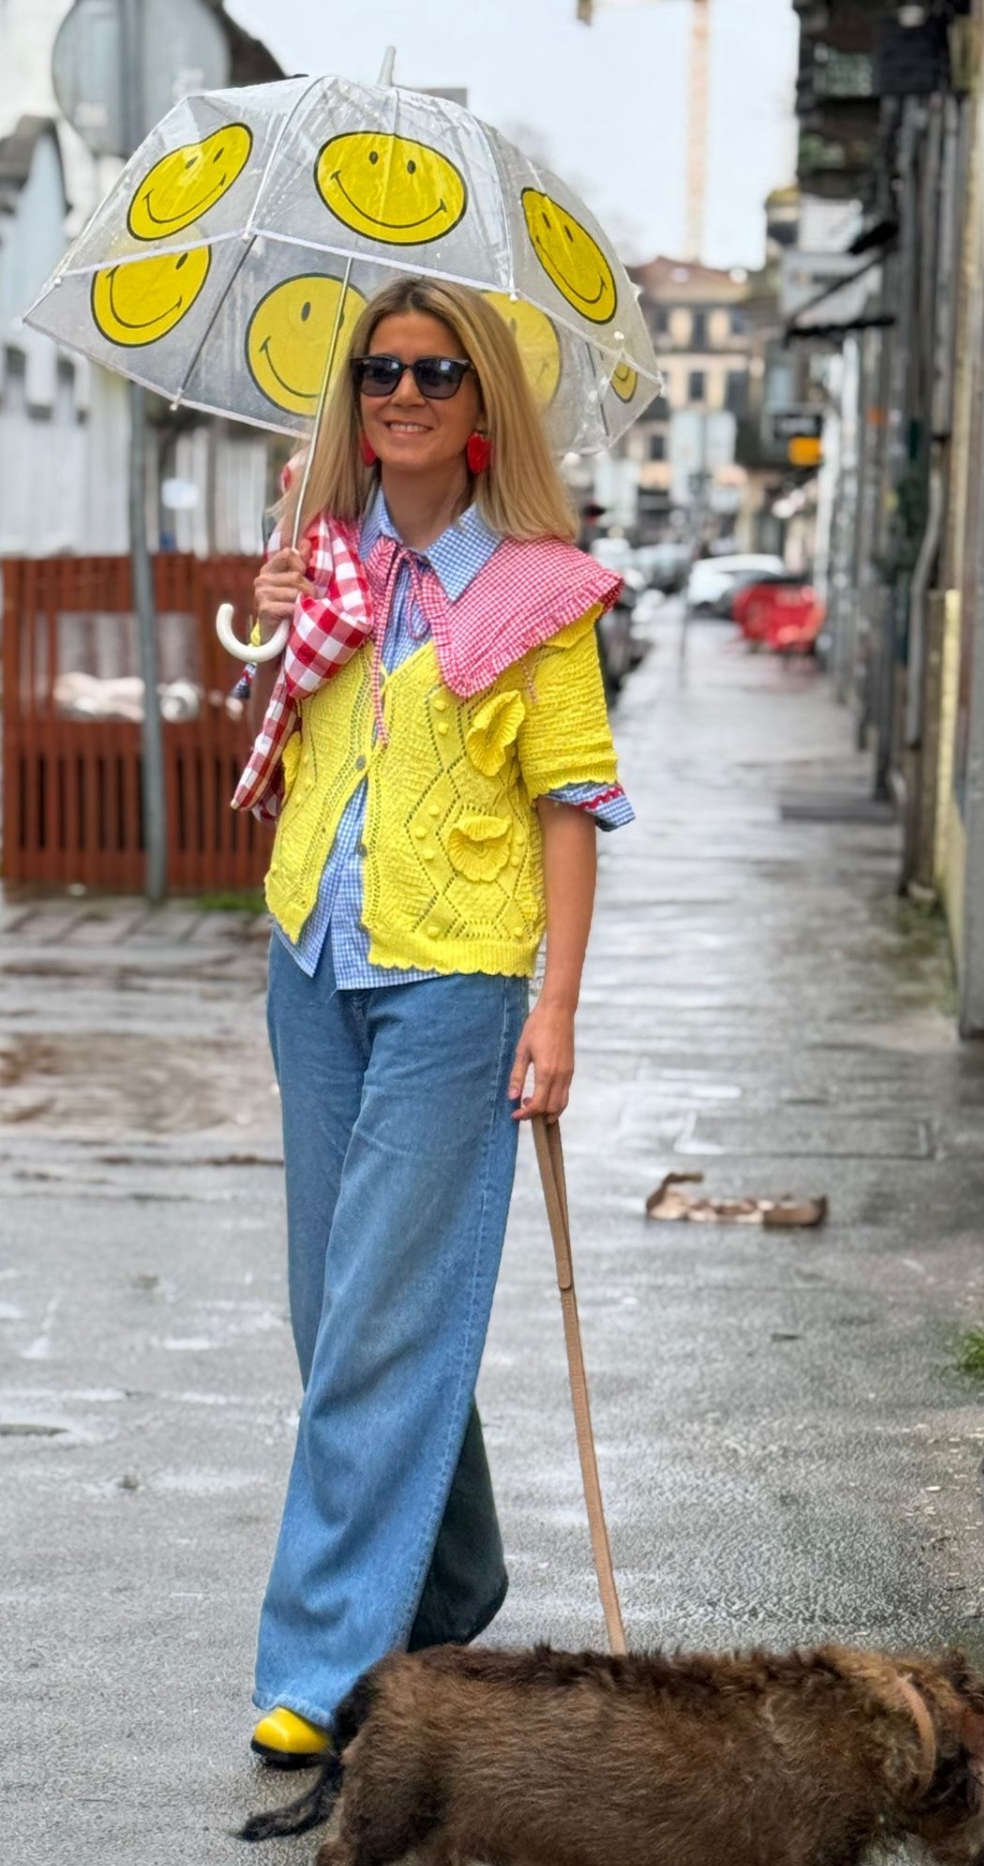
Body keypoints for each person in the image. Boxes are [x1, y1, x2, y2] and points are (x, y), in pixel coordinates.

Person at [234, 276, 632, 1766]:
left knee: (386, 1316)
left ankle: (326, 1668)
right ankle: (454, 1575)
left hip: (460, 983)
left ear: (482, 413)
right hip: (312, 963)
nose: (401, 393)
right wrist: (272, 633)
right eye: (380, 372)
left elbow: (572, 806)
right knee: (338, 1313)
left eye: (437, 373)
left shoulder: (537, 587)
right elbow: (283, 747)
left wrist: (559, 1014)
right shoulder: (317, 564)